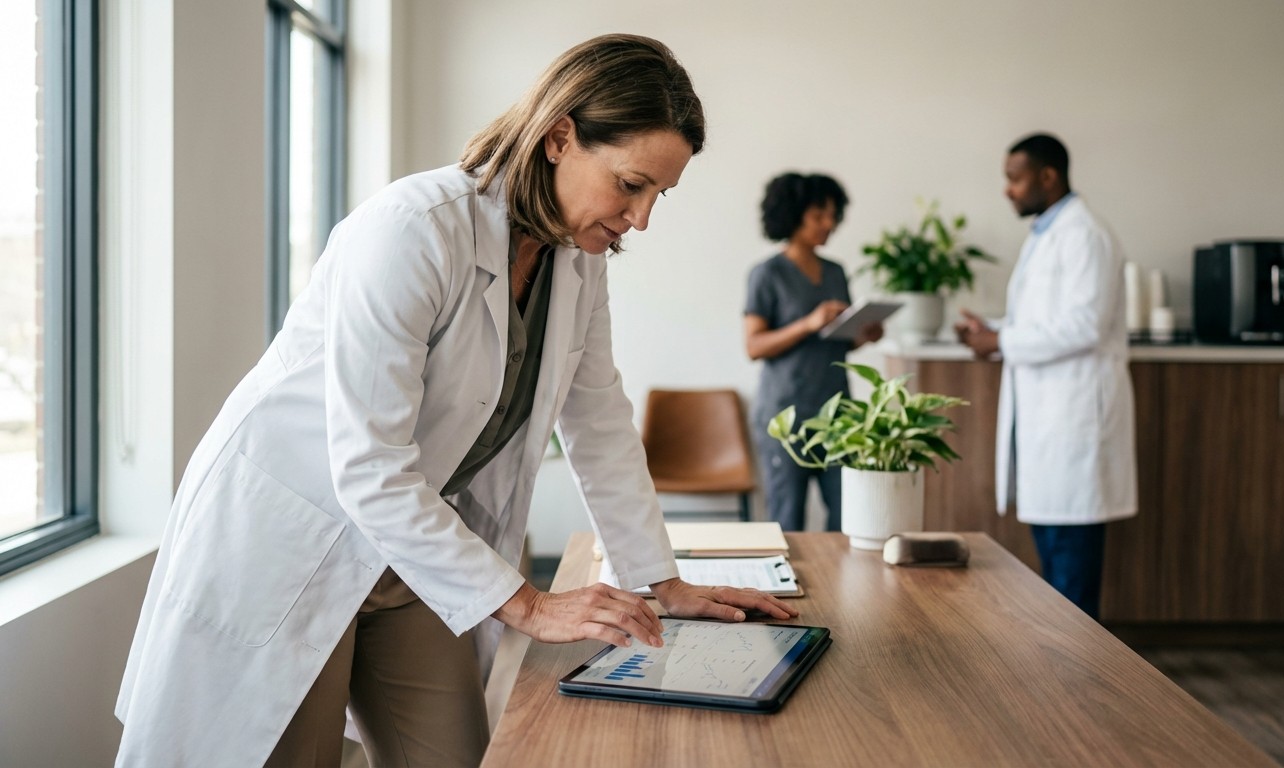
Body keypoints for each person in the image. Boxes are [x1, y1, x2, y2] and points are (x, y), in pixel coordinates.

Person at [114, 34, 797, 768]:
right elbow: (370, 468)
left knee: (457, 755)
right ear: (559, 138)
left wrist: (663, 583)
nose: (642, 218)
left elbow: (598, 421)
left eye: (659, 194)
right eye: (631, 184)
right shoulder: (412, 229)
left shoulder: (577, 262)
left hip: (414, 552)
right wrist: (531, 605)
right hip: (291, 543)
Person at [955, 133, 1137, 621]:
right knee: (1056, 570)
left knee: (1072, 577)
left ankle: (1078, 666)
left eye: (1014, 179)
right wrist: (991, 332)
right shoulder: (1046, 234)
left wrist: (1001, 340)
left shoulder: (1085, 235)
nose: (1007, 190)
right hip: (1050, 425)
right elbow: (1043, 321)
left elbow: (1085, 326)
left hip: (1075, 424)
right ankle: (1064, 661)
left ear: (1048, 176)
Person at [743, 173, 883, 532]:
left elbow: (838, 340)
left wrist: (864, 335)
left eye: (833, 216)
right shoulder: (767, 274)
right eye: (818, 215)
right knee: (786, 518)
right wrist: (808, 323)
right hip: (786, 415)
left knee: (848, 516)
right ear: (793, 215)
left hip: (838, 412)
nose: (828, 224)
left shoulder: (836, 272)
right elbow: (754, 346)